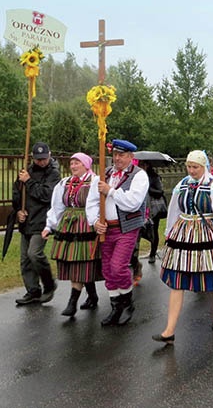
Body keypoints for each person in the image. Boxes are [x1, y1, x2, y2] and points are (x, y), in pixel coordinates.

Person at [152, 150, 213, 344]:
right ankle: (169, 330)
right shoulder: (181, 184)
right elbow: (174, 209)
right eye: (189, 167)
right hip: (183, 233)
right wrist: (168, 233)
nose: (191, 171)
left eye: (195, 167)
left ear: (204, 167)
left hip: (206, 233)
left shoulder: (212, 187)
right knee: (177, 280)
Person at [86, 139, 149, 326]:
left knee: (117, 266)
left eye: (121, 155)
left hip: (127, 227)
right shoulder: (103, 175)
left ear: (131, 157)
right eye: (115, 154)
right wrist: (95, 221)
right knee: (107, 269)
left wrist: (111, 191)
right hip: (107, 228)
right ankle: (116, 307)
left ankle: (127, 302)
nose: (117, 158)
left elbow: (133, 203)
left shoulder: (139, 176)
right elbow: (92, 202)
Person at [42, 153, 102, 317]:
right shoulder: (65, 183)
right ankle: (92, 296)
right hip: (68, 226)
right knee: (76, 262)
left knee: (83, 262)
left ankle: (72, 302)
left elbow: (97, 205)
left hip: (86, 225)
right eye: (72, 163)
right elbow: (57, 206)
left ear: (86, 165)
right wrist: (49, 226)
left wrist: (96, 222)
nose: (73, 166)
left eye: (77, 163)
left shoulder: (95, 181)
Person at [12, 142, 61, 305]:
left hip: (43, 221)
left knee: (35, 253)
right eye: (38, 159)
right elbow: (17, 193)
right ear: (33, 158)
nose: (41, 162)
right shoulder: (27, 172)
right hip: (27, 221)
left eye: (44, 158)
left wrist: (29, 182)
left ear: (49, 155)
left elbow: (47, 195)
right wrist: (19, 210)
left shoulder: (53, 173)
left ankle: (49, 283)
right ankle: (33, 291)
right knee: (25, 259)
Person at [142, 164, 166, 264]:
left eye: (143, 165)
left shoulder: (154, 177)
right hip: (141, 207)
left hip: (153, 208)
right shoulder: (136, 176)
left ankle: (153, 253)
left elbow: (160, 191)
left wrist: (148, 188)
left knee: (154, 230)